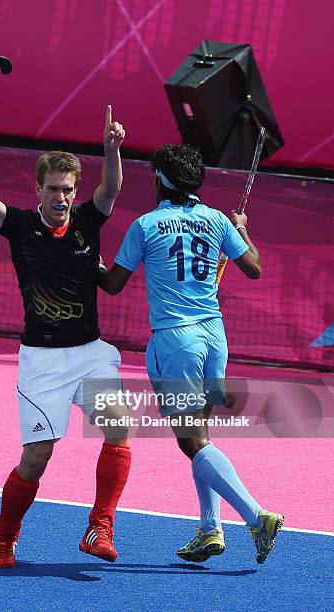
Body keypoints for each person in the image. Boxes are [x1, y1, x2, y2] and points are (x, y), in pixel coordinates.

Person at [0, 105, 131, 567]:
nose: (61, 197)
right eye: (53, 189)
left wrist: (111, 150)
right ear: (38, 189)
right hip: (42, 360)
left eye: (68, 190)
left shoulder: (88, 221)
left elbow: (112, 188)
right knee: (37, 458)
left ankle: (99, 526)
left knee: (120, 429)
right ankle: (4, 536)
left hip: (89, 352)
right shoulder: (22, 227)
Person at [98, 143, 284, 564]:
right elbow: (253, 267)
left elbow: (111, 285)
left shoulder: (146, 225)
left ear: (160, 180)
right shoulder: (218, 220)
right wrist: (242, 230)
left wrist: (85, 258)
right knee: (199, 437)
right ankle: (209, 528)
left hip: (176, 341)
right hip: (214, 337)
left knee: (192, 441)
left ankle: (257, 517)